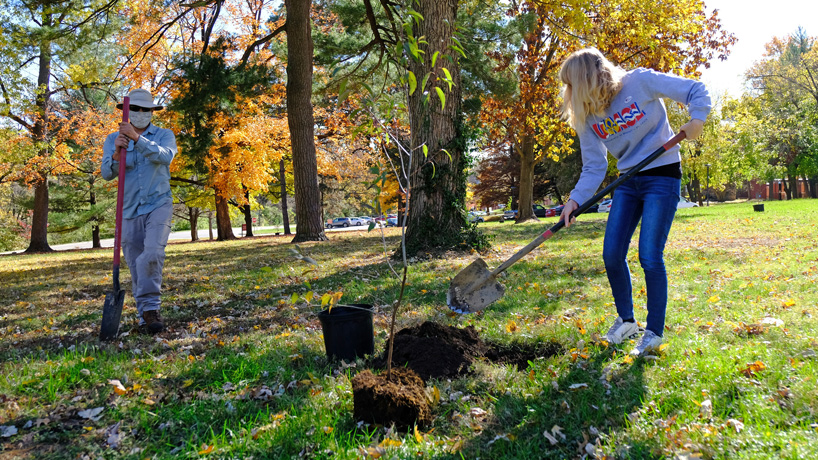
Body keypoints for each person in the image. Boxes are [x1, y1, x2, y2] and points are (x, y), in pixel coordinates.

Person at [558, 48, 710, 356]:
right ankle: (627, 321)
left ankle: (653, 332)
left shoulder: (639, 82)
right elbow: (594, 166)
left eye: (571, 84)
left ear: (587, 78)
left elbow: (696, 89)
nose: (568, 93)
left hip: (662, 173)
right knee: (612, 254)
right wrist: (575, 200)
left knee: (649, 255)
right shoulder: (587, 115)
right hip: (628, 180)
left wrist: (697, 119)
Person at [101, 88, 177, 333]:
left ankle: (152, 306)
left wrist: (136, 138)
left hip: (158, 204)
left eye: (146, 109)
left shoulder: (164, 135)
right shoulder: (114, 138)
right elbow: (106, 174)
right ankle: (146, 316)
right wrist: (116, 153)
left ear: (153, 112)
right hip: (129, 209)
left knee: (152, 254)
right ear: (126, 111)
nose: (140, 113)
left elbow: (165, 157)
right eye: (135, 108)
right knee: (135, 264)